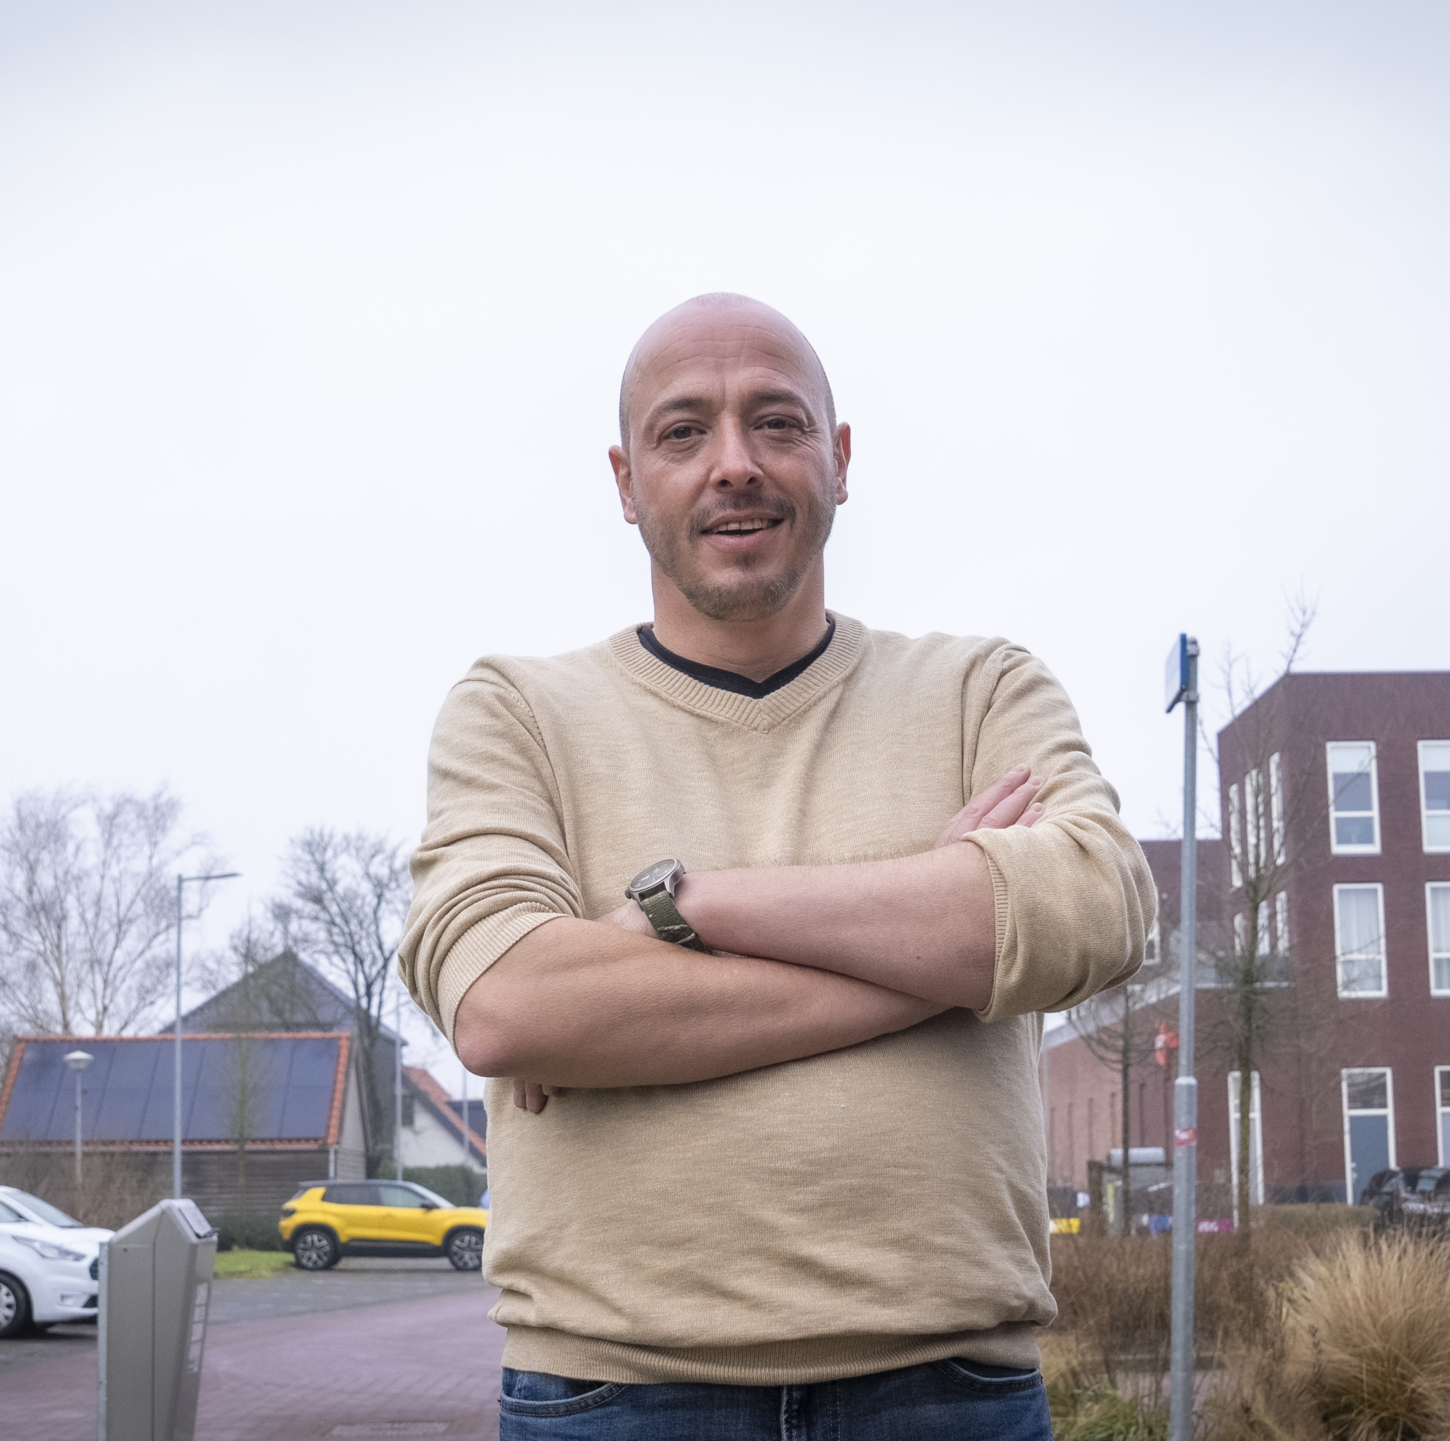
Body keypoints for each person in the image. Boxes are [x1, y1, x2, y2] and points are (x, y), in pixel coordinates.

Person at [399, 293, 1156, 1440]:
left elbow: (1096, 906)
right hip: (614, 1395)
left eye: (777, 423)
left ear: (839, 459)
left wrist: (676, 908)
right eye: (683, 430)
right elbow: (506, 1005)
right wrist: (944, 945)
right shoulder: (516, 711)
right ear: (622, 480)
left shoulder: (981, 689)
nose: (734, 464)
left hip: (950, 1390)